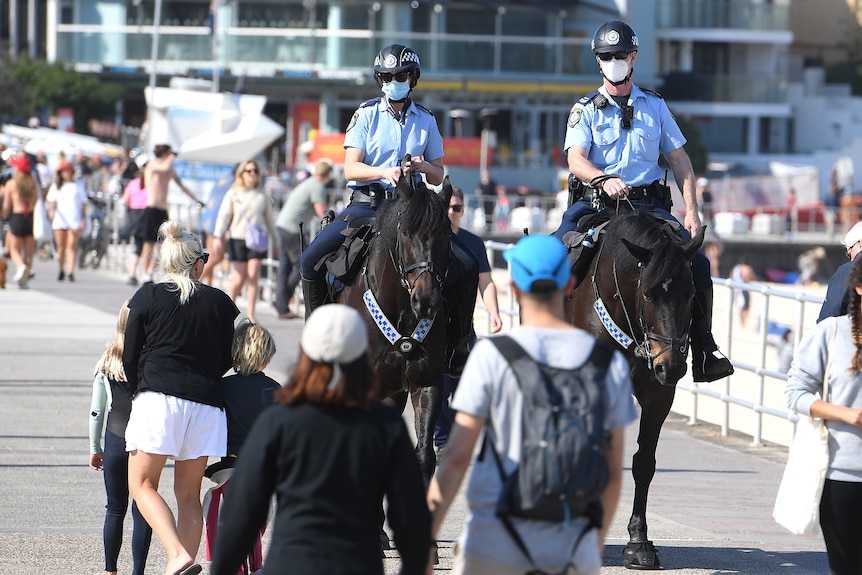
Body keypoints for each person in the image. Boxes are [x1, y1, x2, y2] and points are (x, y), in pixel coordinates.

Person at [426, 235, 637, 575]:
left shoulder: (492, 355)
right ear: (569, 283)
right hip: (571, 547)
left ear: (514, 285)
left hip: (495, 541)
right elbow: (612, 472)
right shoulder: (607, 364)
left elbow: (456, 457)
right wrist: (592, 544)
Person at [551, 19, 733, 383]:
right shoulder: (584, 109)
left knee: (696, 264)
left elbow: (679, 160)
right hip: (597, 205)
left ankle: (704, 348)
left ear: (633, 57)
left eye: (620, 55)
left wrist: (693, 213)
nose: (614, 60)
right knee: (556, 256)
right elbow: (575, 159)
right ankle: (548, 347)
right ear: (598, 61)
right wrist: (603, 179)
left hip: (650, 208)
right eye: (606, 56)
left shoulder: (655, 105)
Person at [210, 304, 431, 575]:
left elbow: (242, 513)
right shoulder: (386, 425)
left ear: (306, 354)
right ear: (364, 355)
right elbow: (410, 517)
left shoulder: (279, 420)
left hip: (291, 562)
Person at [123, 220, 239, 575]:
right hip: (205, 404)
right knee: (188, 495)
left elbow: (130, 355)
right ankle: (181, 565)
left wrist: (136, 389)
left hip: (158, 397)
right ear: (197, 263)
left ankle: (177, 555)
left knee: (142, 484)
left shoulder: (147, 296)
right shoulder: (220, 302)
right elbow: (227, 358)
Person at [299, 43, 445, 318]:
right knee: (309, 260)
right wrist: (384, 172)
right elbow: (351, 169)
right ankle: (316, 331)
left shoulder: (427, 119)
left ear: (412, 78)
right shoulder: (365, 114)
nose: (393, 82)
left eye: (400, 77)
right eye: (387, 77)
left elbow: (438, 176)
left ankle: (458, 343)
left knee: (463, 260)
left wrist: (423, 165)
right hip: (367, 206)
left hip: (411, 207)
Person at [785, 254, 862, 575]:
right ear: (858, 288)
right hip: (843, 477)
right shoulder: (831, 333)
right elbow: (796, 393)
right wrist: (848, 415)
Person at [203, 320, 280, 574]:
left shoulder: (224, 387)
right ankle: (256, 562)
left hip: (230, 463)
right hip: (263, 468)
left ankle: (222, 557)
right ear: (267, 354)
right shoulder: (275, 390)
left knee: (211, 498)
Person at [434, 185, 502, 452]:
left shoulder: (474, 243)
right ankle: (441, 440)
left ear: (463, 211)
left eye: (457, 208)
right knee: (437, 392)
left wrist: (494, 312)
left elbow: (486, 281)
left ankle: (449, 436)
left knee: (465, 394)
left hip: (464, 329)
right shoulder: (429, 240)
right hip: (433, 329)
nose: (451, 213)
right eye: (447, 207)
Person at [88, 299, 153, 575]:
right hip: (145, 440)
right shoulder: (151, 359)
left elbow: (96, 410)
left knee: (115, 508)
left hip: (115, 437)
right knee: (143, 507)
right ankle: (138, 570)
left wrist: (95, 446)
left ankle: (109, 570)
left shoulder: (108, 359)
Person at [212, 160, 280, 321]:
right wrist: (218, 236)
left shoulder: (262, 193)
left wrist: (276, 242)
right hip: (237, 238)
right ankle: (229, 305)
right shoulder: (233, 193)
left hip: (257, 239)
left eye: (255, 171)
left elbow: (270, 220)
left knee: (253, 275)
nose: (253, 174)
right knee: (239, 278)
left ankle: (251, 314)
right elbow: (224, 216)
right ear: (242, 173)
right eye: (249, 171)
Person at [275, 158, 332, 319]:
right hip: (293, 229)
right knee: (303, 265)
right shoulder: (317, 185)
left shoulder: (308, 182)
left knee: (284, 268)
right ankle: (283, 301)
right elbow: (322, 211)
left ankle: (281, 305)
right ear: (328, 175)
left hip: (283, 225)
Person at [139, 144, 204, 285]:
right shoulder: (152, 165)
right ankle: (145, 273)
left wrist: (197, 200)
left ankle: (151, 270)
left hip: (162, 209)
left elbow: (182, 186)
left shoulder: (170, 169)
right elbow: (162, 168)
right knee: (148, 243)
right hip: (152, 207)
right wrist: (171, 157)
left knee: (163, 244)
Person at [46, 159, 88, 282]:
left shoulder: (78, 185)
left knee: (71, 246)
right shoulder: (57, 186)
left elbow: (83, 203)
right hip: (60, 219)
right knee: (60, 247)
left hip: (74, 218)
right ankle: (61, 268)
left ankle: (70, 271)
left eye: (68, 171)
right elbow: (52, 201)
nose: (67, 174)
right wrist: (52, 210)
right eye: (64, 171)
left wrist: (83, 218)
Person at [1, 156, 38, 288]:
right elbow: (35, 201)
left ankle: (21, 267)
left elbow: (6, 205)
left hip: (17, 216)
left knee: (14, 249)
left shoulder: (11, 184)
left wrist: (4, 216)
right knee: (28, 251)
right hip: (30, 216)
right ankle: (25, 280)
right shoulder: (33, 182)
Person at [198, 166, 236, 286]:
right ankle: (195, 281)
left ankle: (206, 285)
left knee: (210, 256)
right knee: (217, 256)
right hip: (217, 222)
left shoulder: (223, 180)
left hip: (208, 220)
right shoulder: (233, 184)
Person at [818, 221, 862, 322]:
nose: (851, 258)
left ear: (860, 243)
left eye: (850, 252)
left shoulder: (848, 270)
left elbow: (829, 315)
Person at [121, 165, 147, 286]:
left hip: (135, 214)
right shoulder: (152, 184)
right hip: (147, 214)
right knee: (148, 246)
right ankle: (147, 274)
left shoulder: (133, 183)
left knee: (136, 247)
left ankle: (132, 273)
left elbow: (125, 200)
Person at [730, 257, 756, 329]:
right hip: (744, 289)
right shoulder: (747, 268)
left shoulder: (736, 268)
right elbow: (750, 278)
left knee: (740, 306)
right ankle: (744, 323)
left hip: (736, 289)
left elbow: (731, 276)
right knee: (745, 307)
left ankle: (742, 323)